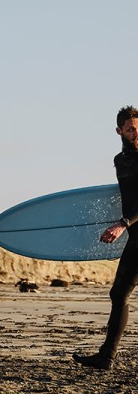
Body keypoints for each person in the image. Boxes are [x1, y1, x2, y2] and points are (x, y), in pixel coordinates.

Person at [74, 105, 138, 370]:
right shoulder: (120, 161)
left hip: (132, 229)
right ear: (119, 131)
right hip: (136, 236)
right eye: (131, 129)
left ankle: (107, 355)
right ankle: (107, 356)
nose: (136, 133)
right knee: (119, 292)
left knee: (120, 292)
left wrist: (122, 223)